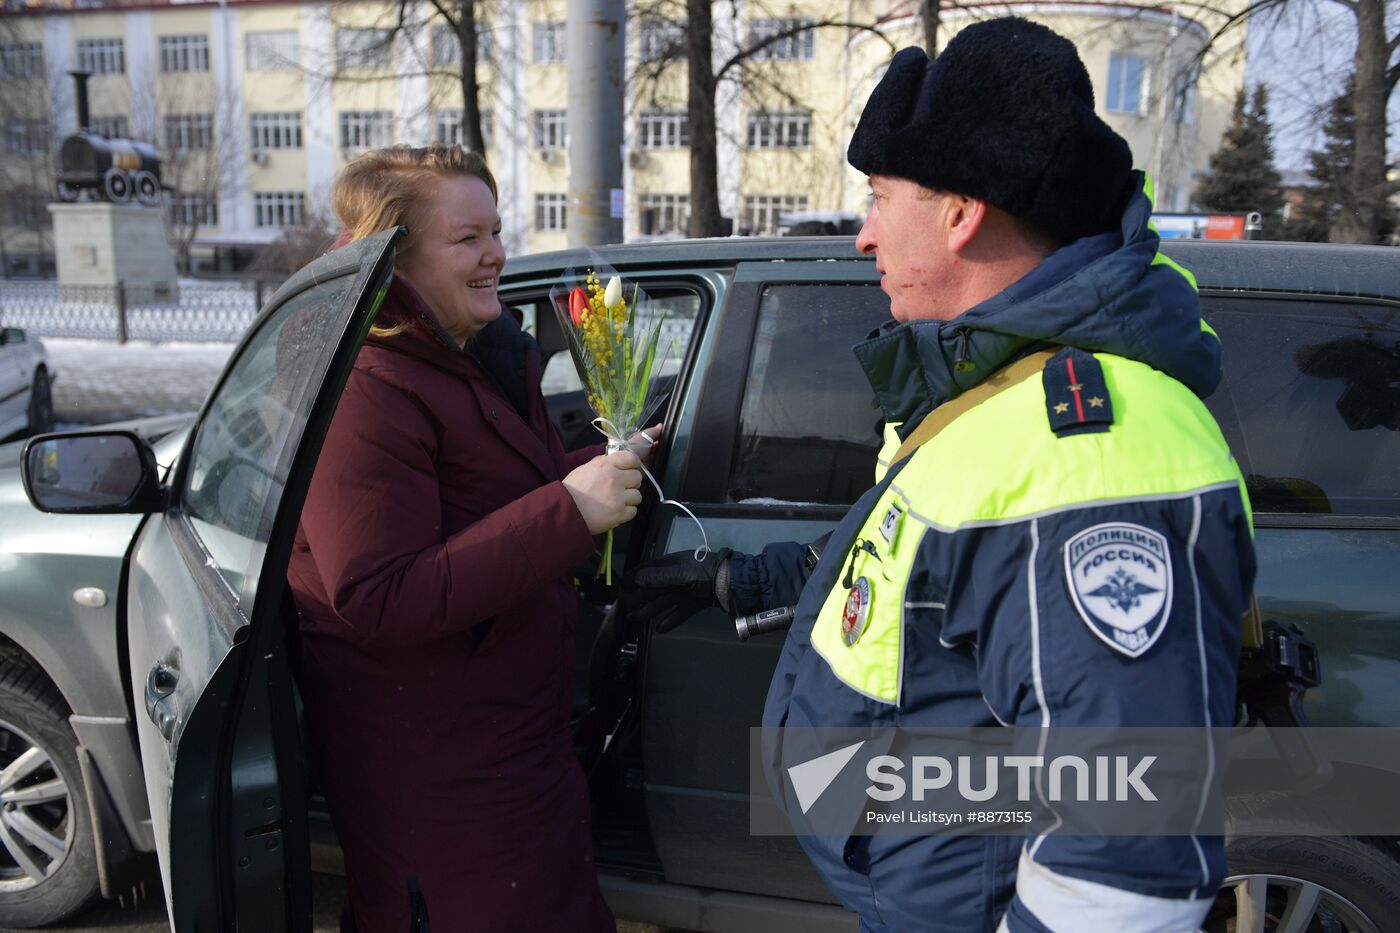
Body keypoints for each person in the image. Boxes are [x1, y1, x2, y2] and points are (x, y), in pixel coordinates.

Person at [624, 18, 1256, 932]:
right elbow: (919, 572)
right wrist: (747, 581)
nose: (863, 236)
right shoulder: (994, 392)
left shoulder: (1085, 450)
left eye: (881, 198)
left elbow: (1124, 852)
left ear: (960, 214)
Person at [287, 143, 643, 931]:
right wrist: (568, 511)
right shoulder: (365, 386)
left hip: (513, 744)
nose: (497, 254)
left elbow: (493, 494)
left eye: (496, 230)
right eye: (469, 238)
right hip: (435, 773)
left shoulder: (468, 357)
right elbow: (376, 594)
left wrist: (611, 464)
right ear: (396, 254)